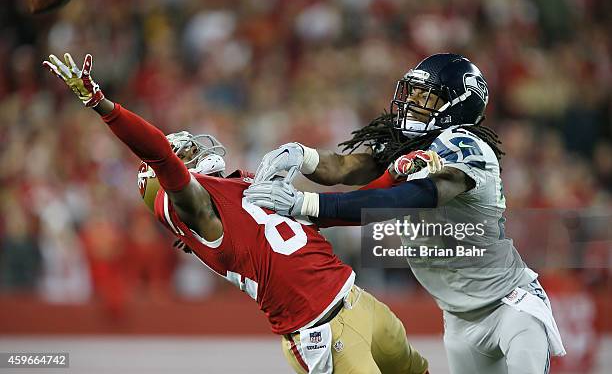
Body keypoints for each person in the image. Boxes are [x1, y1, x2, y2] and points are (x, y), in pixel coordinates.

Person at [42, 53, 429, 374]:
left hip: (355, 297)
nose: (194, 150)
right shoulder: (196, 209)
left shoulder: (238, 188)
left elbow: (332, 212)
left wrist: (392, 176)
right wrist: (103, 106)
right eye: (185, 153)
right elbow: (158, 152)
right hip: (321, 331)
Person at [245, 53, 566, 374]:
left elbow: (413, 196)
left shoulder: (470, 148)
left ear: (457, 105)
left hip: (510, 305)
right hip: (457, 316)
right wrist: (304, 155)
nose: (411, 101)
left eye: (424, 94)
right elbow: (347, 165)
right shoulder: (406, 143)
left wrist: (307, 204)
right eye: (411, 91)